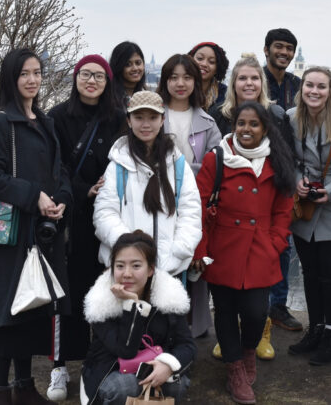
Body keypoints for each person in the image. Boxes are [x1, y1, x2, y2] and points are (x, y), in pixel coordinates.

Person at [0, 48, 72, 405]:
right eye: (24, 74)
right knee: (9, 312)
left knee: (33, 308)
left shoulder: (44, 121)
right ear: (11, 79)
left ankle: (24, 385)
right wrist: (35, 197)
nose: (32, 80)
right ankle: (1, 390)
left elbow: (58, 170)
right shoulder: (2, 123)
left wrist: (61, 197)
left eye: (37, 73)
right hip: (13, 233)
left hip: (41, 231)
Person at [193, 102, 296, 404]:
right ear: (233, 125)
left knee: (255, 312)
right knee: (224, 312)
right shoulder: (218, 159)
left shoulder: (276, 160)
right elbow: (198, 207)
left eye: (253, 124)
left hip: (260, 249)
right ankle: (234, 368)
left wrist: (276, 242)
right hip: (222, 247)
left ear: (265, 128)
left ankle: (248, 350)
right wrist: (200, 250)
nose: (246, 129)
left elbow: (283, 209)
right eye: (241, 123)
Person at [47, 54, 124, 401]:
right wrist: (81, 190)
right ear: (75, 78)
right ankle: (60, 365)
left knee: (107, 293)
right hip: (71, 217)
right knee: (67, 295)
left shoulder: (118, 120)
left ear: (108, 82)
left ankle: (99, 362)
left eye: (98, 76)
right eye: (84, 75)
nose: (91, 81)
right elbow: (54, 164)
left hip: (109, 218)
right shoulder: (58, 117)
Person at [209, 54, 301, 341]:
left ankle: (264, 329)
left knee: (267, 274)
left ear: (262, 83)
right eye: (242, 78)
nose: (248, 83)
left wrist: (276, 237)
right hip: (229, 215)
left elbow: (285, 162)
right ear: (233, 83)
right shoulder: (219, 115)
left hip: (265, 209)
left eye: (254, 78)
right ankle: (230, 338)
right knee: (229, 285)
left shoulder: (275, 115)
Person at [287, 66, 331, 366]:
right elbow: (285, 158)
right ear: (301, 88)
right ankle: (315, 329)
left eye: (321, 86)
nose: (314, 91)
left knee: (330, 275)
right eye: (309, 86)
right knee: (309, 273)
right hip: (304, 210)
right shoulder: (290, 119)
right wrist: (296, 180)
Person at [92, 90, 202, 277]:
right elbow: (104, 213)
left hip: (170, 270)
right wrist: (130, 251)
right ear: (129, 120)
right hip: (126, 271)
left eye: (152, 117)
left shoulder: (178, 166)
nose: (145, 124)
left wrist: (177, 252)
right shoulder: (117, 166)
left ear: (162, 120)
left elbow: (190, 213)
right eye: (139, 117)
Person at [81, 231, 195, 405]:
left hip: (152, 366)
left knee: (175, 385)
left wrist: (168, 364)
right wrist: (133, 306)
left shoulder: (169, 297)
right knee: (125, 387)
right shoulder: (101, 303)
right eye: (119, 266)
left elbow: (187, 345)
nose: (127, 273)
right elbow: (126, 350)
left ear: (150, 269)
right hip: (112, 369)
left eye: (136, 266)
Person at [156, 53, 222, 339]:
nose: (180, 84)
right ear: (164, 81)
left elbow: (217, 164)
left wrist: (183, 170)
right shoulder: (154, 116)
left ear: (196, 82)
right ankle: (160, 326)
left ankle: (194, 328)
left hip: (195, 203)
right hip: (157, 202)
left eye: (187, 77)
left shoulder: (207, 122)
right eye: (173, 77)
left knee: (195, 265)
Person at [263, 28, 301, 110]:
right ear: (266, 50)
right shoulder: (255, 80)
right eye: (279, 46)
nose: (284, 52)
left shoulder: (297, 84)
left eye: (289, 48)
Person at [189, 42, 229, 109]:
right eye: (200, 58)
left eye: (211, 62)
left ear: (218, 68)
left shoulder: (226, 94)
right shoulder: (180, 88)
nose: (204, 64)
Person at [110, 41, 148, 105]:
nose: (135, 68)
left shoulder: (148, 97)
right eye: (128, 64)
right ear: (118, 67)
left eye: (138, 63)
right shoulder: (108, 97)